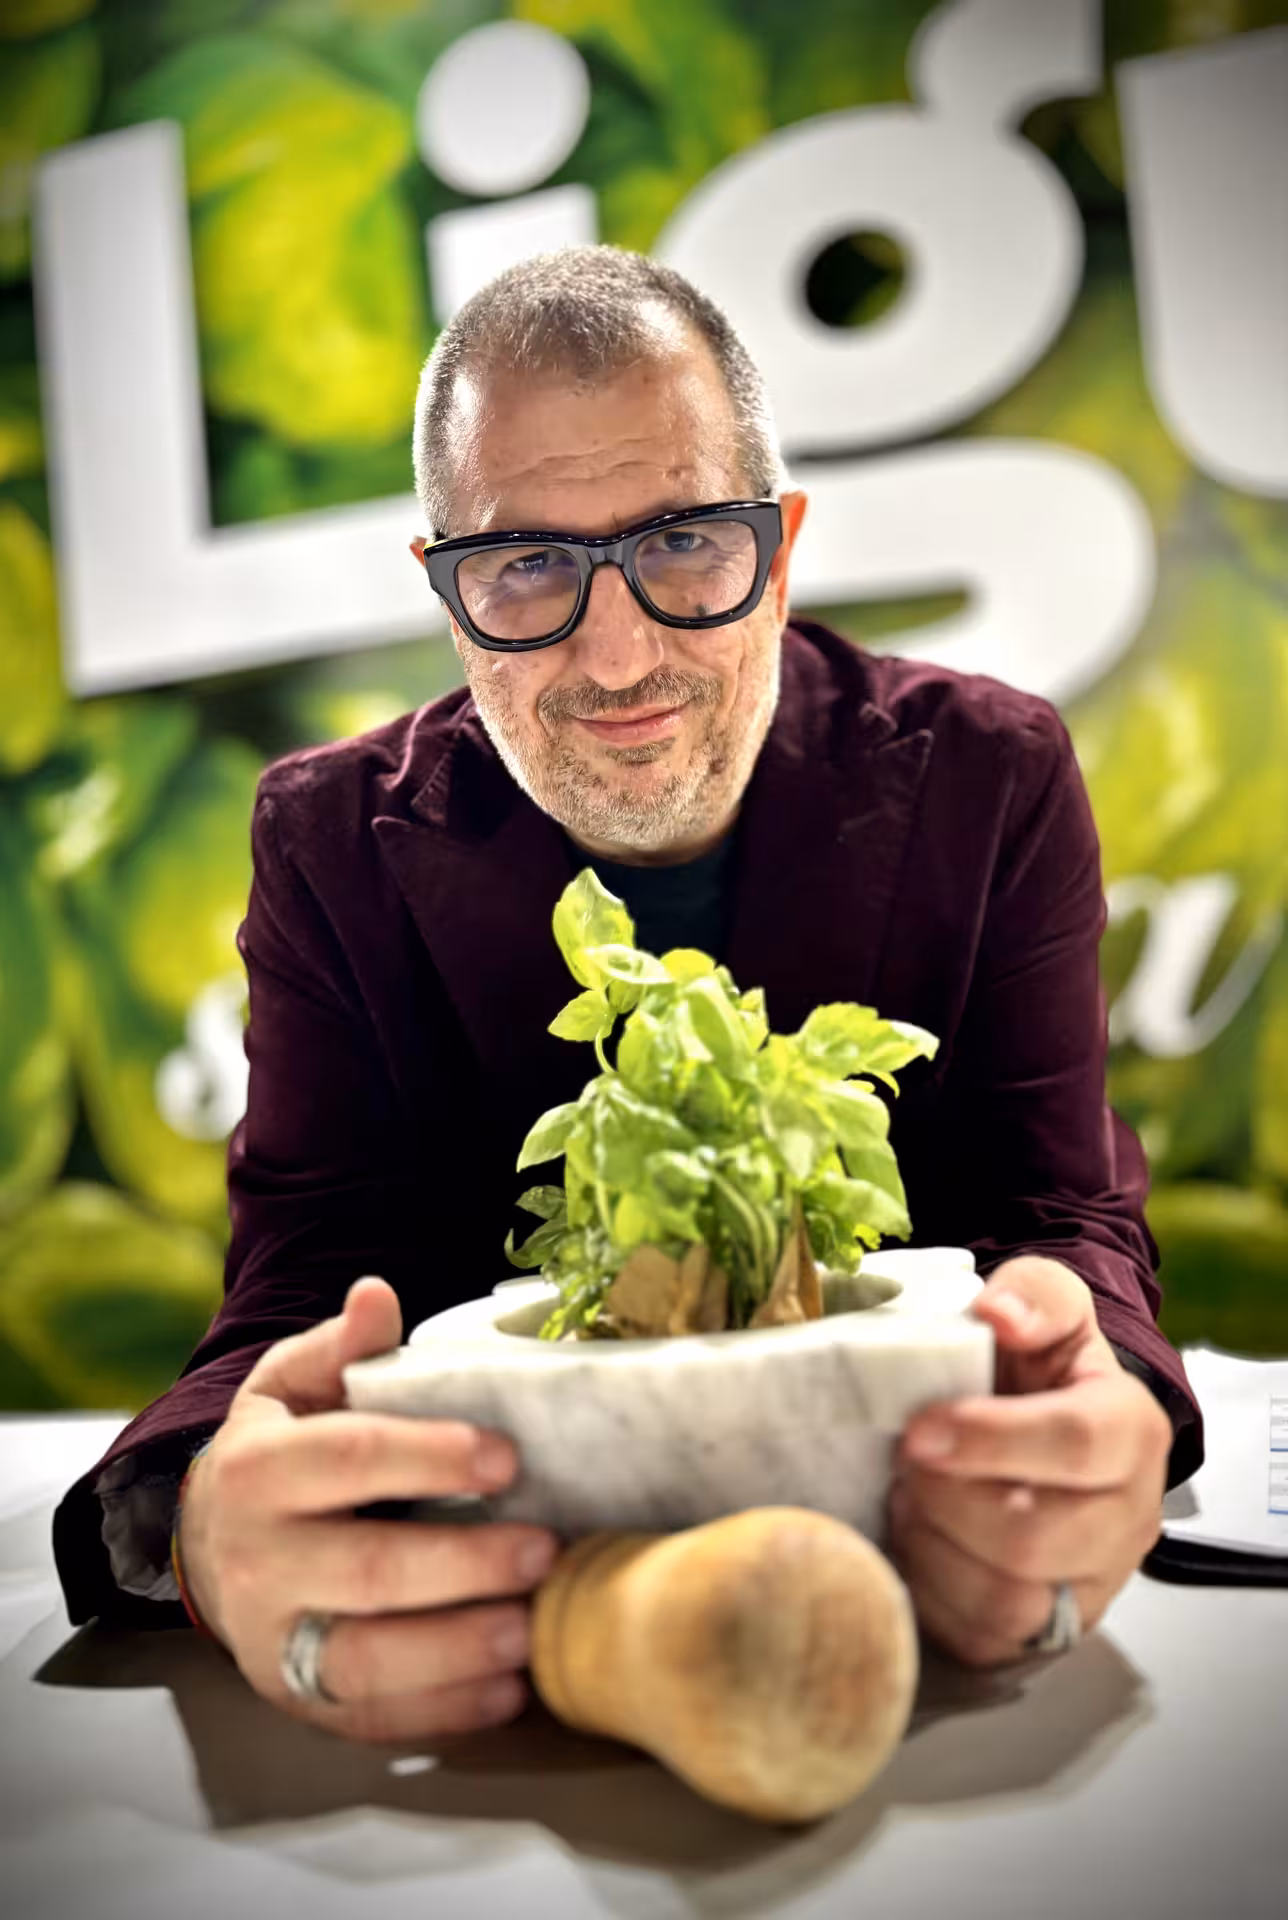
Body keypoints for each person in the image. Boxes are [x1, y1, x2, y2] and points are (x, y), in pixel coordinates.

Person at [54, 245, 1201, 1744]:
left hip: (907, 1611)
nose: (616, 652)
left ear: (778, 551)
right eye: (525, 564)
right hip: (537, 1633)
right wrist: (201, 1525)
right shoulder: (327, 841)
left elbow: (1061, 1222)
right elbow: (299, 1292)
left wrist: (1097, 1405)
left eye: (683, 542)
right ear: (449, 600)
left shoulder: (992, 775)